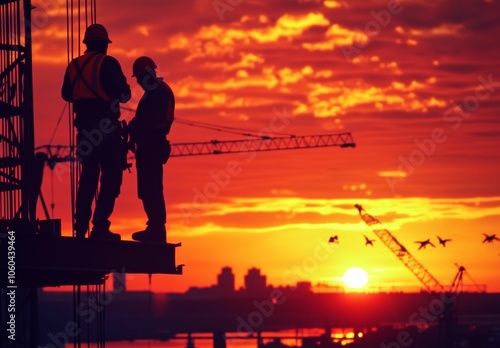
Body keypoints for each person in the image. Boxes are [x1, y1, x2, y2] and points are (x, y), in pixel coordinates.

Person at [61, 23, 131, 241]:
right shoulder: (108, 63)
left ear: (86, 43)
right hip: (106, 130)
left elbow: (66, 94)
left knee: (88, 177)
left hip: (84, 131)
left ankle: (81, 226)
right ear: (104, 45)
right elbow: (124, 94)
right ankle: (100, 225)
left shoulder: (74, 65)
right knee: (111, 177)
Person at [128, 56, 174, 243]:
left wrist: (136, 128)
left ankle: (156, 229)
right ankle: (154, 227)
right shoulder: (153, 93)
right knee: (147, 189)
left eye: (139, 77)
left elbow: (153, 122)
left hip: (152, 146)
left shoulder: (158, 93)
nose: (138, 82)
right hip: (148, 145)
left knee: (152, 187)